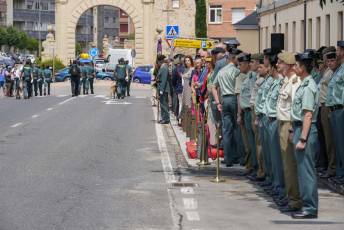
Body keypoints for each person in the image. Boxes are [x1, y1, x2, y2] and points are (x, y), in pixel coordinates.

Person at [290, 52, 320, 219]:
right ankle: (306, 205)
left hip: (306, 131)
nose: (294, 67)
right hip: (300, 129)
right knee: (302, 171)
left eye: (296, 65)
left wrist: (302, 138)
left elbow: (307, 115)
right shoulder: (303, 84)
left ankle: (310, 208)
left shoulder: (308, 86)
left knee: (306, 171)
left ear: (302, 68)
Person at [275, 52, 302, 213]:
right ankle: (289, 195)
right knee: (286, 164)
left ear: (289, 65)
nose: (277, 65)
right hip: (282, 123)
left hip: (288, 124)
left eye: (280, 62)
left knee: (290, 164)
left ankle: (294, 200)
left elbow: (295, 108)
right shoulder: (286, 81)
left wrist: (292, 128)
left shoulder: (295, 82)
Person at [212, 48, 242, 167]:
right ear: (233, 59)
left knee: (226, 129)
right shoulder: (236, 71)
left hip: (224, 99)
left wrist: (218, 101)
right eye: (237, 59)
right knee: (237, 128)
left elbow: (213, 86)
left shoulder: (221, 71)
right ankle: (238, 156)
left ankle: (228, 158)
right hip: (234, 99)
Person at [237, 53, 258, 178]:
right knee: (249, 142)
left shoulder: (253, 77)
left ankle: (255, 167)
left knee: (253, 142)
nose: (240, 67)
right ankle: (252, 166)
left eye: (252, 62)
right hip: (246, 112)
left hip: (251, 111)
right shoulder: (247, 77)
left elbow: (251, 96)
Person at [327, 41, 344, 185]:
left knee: (341, 143)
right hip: (334, 109)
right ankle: (340, 172)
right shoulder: (338, 70)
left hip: (341, 109)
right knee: (337, 143)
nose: (337, 52)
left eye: (338, 50)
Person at [318, 46, 337, 179]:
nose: (328, 62)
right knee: (327, 139)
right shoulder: (328, 71)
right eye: (327, 59)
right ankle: (331, 166)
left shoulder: (334, 72)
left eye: (331, 60)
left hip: (328, 106)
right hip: (323, 105)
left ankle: (333, 167)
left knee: (331, 140)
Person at [157, 55, 170, 124]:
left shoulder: (164, 67)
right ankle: (163, 118)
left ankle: (166, 118)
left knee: (164, 104)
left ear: (160, 61)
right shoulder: (162, 67)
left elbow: (164, 79)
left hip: (164, 89)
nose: (158, 63)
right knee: (162, 104)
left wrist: (161, 90)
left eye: (158, 61)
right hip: (162, 88)